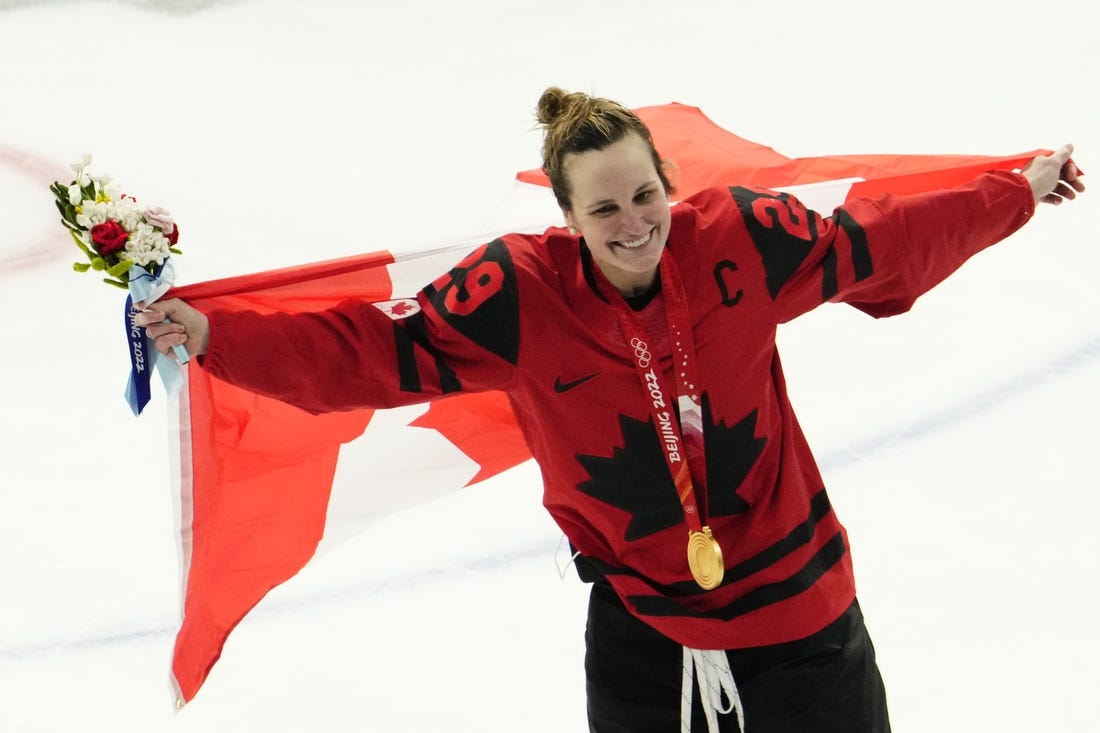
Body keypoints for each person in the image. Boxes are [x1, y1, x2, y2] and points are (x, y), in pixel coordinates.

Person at [136, 87, 1084, 732]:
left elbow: (886, 240)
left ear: (668, 186)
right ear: (566, 215)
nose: (633, 225)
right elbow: (369, 353)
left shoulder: (744, 242)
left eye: (646, 196)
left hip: (801, 621)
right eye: (605, 212)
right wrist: (221, 338)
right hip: (643, 629)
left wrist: (1014, 192)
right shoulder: (515, 295)